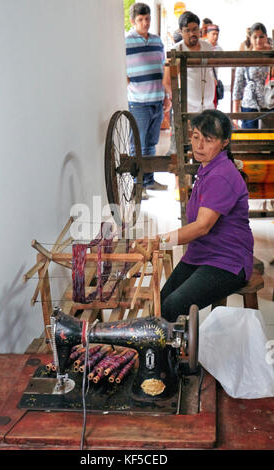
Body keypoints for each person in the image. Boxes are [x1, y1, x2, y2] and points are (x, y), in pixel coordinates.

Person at [159, 109, 254, 321]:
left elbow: (202, 226)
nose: (199, 146)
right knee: (161, 301)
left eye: (208, 140)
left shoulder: (221, 175)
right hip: (202, 253)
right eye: (195, 137)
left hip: (227, 261)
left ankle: (175, 352)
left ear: (224, 142)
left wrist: (160, 241)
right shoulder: (207, 169)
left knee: (173, 306)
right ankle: (169, 352)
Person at [126, 2, 172, 200]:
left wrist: (166, 95)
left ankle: (149, 180)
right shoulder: (126, 41)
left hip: (157, 98)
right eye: (140, 20)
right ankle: (137, 186)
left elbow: (164, 67)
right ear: (132, 21)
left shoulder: (157, 40)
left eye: (147, 19)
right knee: (138, 143)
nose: (145, 23)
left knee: (151, 144)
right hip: (138, 101)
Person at [164, 11, 215, 156]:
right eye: (187, 31)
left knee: (208, 148)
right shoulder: (177, 51)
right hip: (187, 109)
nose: (192, 33)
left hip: (208, 108)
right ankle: (185, 177)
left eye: (195, 30)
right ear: (181, 32)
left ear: (200, 29)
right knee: (184, 150)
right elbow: (167, 82)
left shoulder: (207, 47)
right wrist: (176, 100)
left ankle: (205, 177)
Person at [232, 23, 269, 129]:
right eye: (255, 37)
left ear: (266, 37)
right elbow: (237, 88)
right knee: (250, 139)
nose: (258, 40)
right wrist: (235, 117)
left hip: (270, 104)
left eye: (261, 37)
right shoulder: (245, 58)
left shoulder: (271, 55)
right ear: (250, 38)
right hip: (249, 105)